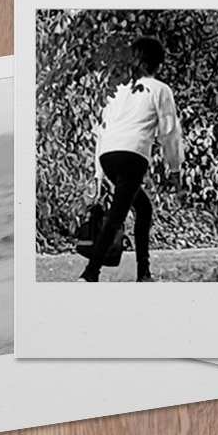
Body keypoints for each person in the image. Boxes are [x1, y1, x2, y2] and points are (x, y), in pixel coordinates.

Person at [79, 35, 186, 282]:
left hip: (108, 155)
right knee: (117, 215)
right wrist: (176, 173)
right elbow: (170, 134)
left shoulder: (118, 90)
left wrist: (98, 174)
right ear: (159, 64)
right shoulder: (160, 90)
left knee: (143, 208)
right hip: (132, 155)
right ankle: (90, 273)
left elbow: (102, 130)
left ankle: (144, 272)